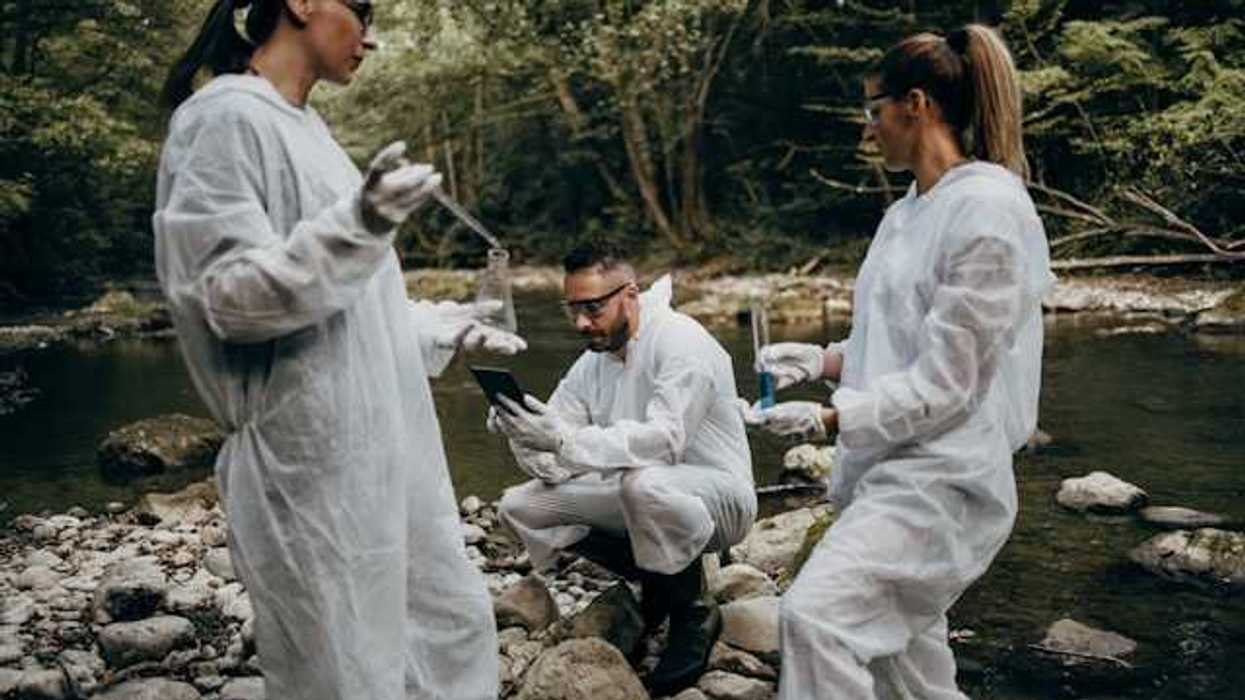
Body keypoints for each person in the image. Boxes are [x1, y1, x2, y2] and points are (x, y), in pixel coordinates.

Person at [153, 2, 524, 698]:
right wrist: (361, 223)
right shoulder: (224, 118)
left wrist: (433, 326)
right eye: (362, 9)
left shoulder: (312, 132)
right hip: (307, 465)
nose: (373, 35)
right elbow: (228, 299)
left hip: (385, 448)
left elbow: (344, 311)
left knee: (451, 624)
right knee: (345, 668)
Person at [748, 24, 1056, 699]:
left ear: (914, 104)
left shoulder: (987, 210)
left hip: (945, 480)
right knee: (908, 676)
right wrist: (823, 360)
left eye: (872, 110)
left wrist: (828, 421)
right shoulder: (906, 213)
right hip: (890, 472)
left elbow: (948, 383)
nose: (867, 129)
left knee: (816, 621)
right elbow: (894, 343)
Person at [489, 243, 757, 696]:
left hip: (720, 498)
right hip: (643, 496)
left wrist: (562, 440)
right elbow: (556, 457)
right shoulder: (590, 362)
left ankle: (692, 608)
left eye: (592, 308)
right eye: (572, 309)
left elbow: (663, 441)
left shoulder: (680, 341)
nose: (580, 323)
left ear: (630, 294)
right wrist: (523, 430)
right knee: (521, 505)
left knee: (642, 481)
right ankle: (657, 581)